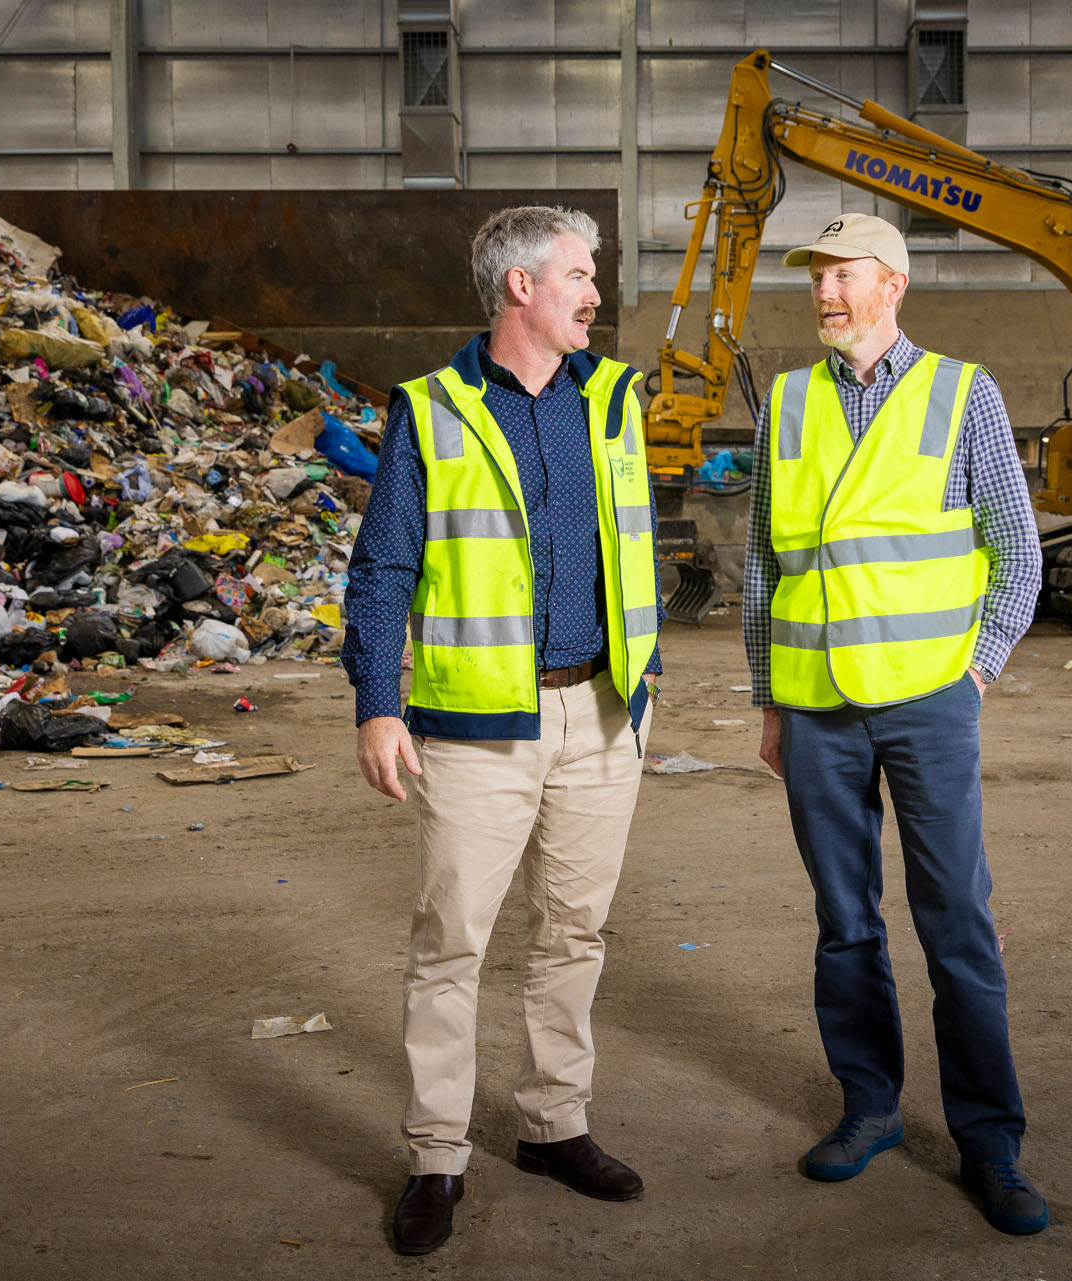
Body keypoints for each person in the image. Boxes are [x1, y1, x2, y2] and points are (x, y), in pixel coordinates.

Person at [342, 205, 663, 1256]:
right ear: (521, 286)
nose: (596, 294)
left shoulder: (611, 402)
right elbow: (384, 566)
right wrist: (378, 705)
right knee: (453, 946)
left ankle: (552, 1124)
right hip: (477, 727)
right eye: (580, 274)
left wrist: (639, 691)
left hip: (601, 715)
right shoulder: (432, 411)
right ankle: (437, 1155)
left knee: (573, 934)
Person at [744, 212, 1048, 1235]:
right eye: (816, 276)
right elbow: (763, 566)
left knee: (955, 921)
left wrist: (976, 673)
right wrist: (768, 695)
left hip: (928, 704)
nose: (824, 292)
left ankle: (990, 1143)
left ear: (895, 284)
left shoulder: (965, 395)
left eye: (842, 274)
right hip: (816, 707)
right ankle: (869, 1106)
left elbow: (1017, 547)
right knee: (846, 923)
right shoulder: (787, 403)